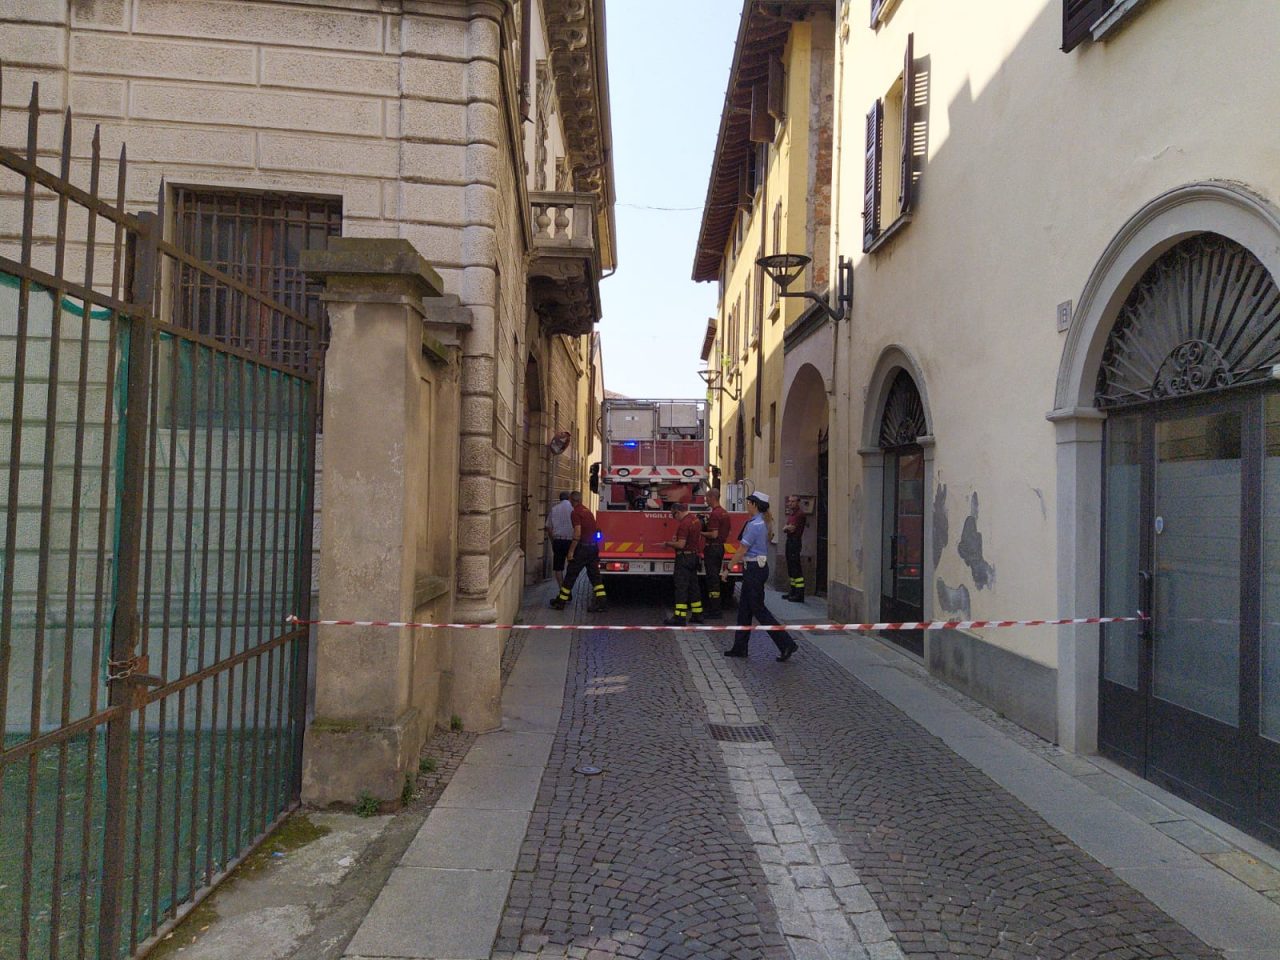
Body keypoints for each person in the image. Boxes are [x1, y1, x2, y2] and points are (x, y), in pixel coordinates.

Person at [725, 492, 798, 662]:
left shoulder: (755, 525)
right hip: (755, 568)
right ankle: (740, 647)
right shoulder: (760, 522)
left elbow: (742, 549)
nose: (747, 505)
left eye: (749, 502)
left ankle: (786, 643)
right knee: (744, 609)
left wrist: (728, 568)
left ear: (755, 505)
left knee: (758, 609)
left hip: (754, 570)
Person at [549, 491, 607, 612]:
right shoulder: (587, 511)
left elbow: (577, 533)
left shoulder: (575, 513)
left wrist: (571, 551)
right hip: (593, 548)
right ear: (580, 500)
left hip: (583, 549)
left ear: (571, 500)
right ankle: (602, 602)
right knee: (595, 576)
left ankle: (561, 602)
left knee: (571, 575)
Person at [662, 501, 705, 625]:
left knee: (681, 587)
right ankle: (697, 614)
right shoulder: (695, 520)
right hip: (694, 557)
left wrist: (668, 544)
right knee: (694, 587)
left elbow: (681, 544)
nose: (674, 518)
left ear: (678, 512)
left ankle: (680, 617)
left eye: (673, 515)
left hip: (684, 558)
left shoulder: (684, 524)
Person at [702, 487, 732, 617]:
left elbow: (713, 534)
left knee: (712, 579)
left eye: (707, 498)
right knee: (714, 578)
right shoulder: (724, 513)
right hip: (720, 548)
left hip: (712, 548)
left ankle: (715, 610)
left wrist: (701, 532)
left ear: (712, 498)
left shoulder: (714, 514)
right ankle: (715, 608)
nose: (706, 500)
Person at [545, 491, 574, 589]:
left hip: (558, 540)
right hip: (571, 541)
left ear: (560, 498)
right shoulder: (573, 509)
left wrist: (552, 540)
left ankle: (561, 589)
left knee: (558, 567)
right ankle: (568, 588)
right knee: (571, 566)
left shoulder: (554, 509)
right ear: (569, 498)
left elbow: (549, 528)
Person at [783, 495, 808, 602]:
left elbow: (792, 528)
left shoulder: (799, 514)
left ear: (798, 502)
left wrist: (787, 528)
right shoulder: (792, 514)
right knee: (791, 568)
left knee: (796, 569)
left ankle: (799, 594)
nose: (790, 503)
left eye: (793, 501)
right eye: (789, 501)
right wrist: (787, 528)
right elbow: (786, 527)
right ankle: (792, 591)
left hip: (795, 541)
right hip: (790, 541)